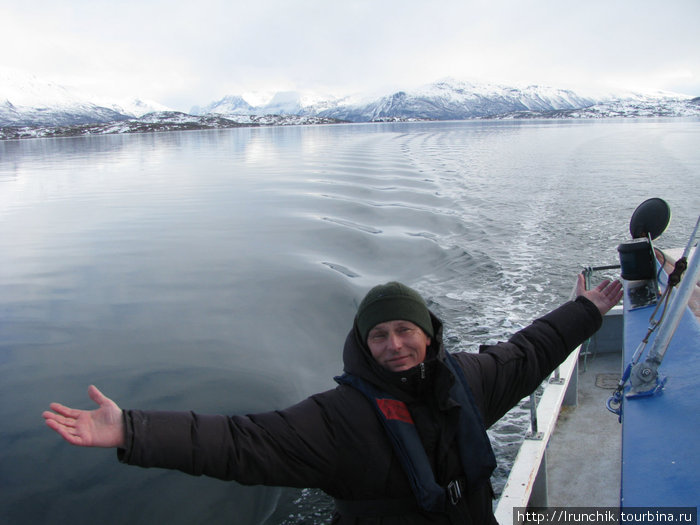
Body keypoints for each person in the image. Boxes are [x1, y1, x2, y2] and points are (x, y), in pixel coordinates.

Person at [43, 274, 623, 524]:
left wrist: (586, 311)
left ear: (428, 333)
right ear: (363, 345)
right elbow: (241, 442)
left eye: (405, 330)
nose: (394, 345)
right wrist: (132, 431)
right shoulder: (337, 419)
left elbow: (527, 352)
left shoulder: (466, 382)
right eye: (378, 335)